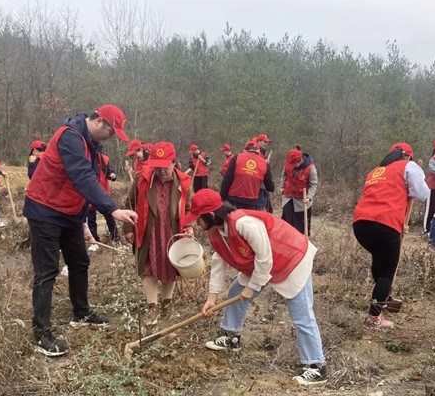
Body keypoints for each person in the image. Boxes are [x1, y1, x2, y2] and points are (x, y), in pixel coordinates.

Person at [24, 104, 137, 357]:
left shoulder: (93, 144)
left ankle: (81, 312)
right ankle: (41, 333)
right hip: (45, 209)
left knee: (80, 262)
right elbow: (81, 176)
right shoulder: (70, 136)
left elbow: (92, 181)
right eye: (111, 131)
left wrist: (87, 218)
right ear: (98, 122)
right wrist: (111, 209)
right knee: (47, 271)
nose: (112, 137)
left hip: (69, 213)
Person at [183, 189, 327, 386]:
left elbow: (265, 257)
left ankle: (316, 366)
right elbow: (219, 261)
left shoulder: (244, 223)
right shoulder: (216, 232)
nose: (196, 224)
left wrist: (252, 287)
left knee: (301, 313)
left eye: (198, 219)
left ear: (210, 215)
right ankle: (231, 337)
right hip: (261, 265)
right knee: (235, 291)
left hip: (291, 259)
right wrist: (212, 297)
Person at [352, 143, 429, 328]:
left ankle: (383, 297)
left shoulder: (376, 171)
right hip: (385, 223)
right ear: (408, 156)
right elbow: (423, 194)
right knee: (387, 272)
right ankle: (374, 317)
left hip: (361, 223)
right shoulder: (408, 166)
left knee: (379, 259)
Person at [123, 141, 193, 326]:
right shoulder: (142, 179)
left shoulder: (184, 182)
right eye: (157, 167)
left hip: (172, 230)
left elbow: (189, 207)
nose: (161, 171)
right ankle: (152, 307)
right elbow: (130, 203)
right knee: (148, 267)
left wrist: (189, 227)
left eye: (165, 167)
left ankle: (167, 303)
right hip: (148, 230)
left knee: (170, 265)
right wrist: (129, 229)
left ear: (174, 162)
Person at [220, 140, 275, 210]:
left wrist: (222, 197)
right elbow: (270, 187)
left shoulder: (236, 158)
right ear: (258, 150)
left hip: (233, 200)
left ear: (244, 150)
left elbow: (227, 179)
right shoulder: (264, 163)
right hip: (251, 203)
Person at [87, 146, 119, 249]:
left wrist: (113, 175)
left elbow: (110, 173)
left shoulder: (105, 159)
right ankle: (94, 241)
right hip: (90, 192)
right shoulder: (86, 158)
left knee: (109, 216)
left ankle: (115, 238)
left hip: (103, 193)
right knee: (90, 219)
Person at [280, 148, 318, 235]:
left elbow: (313, 185)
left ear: (300, 160)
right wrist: (282, 186)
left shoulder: (310, 168)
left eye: (294, 164)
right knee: (286, 224)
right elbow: (284, 175)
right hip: (288, 197)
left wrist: (309, 197)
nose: (292, 166)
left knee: (300, 226)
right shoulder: (288, 165)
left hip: (302, 201)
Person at [254, 134, 273, 212]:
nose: (266, 144)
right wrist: (264, 163)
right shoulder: (256, 153)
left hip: (264, 184)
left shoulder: (263, 153)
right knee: (259, 208)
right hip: (259, 185)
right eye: (264, 142)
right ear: (259, 142)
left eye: (267, 142)